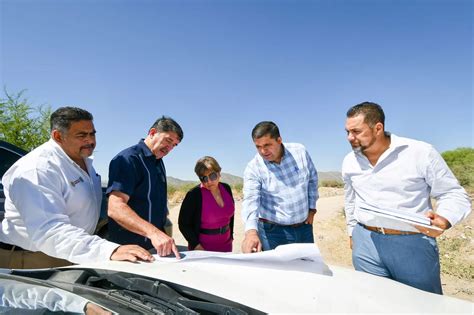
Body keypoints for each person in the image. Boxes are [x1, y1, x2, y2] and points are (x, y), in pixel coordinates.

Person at [342, 101, 471, 294]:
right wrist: (352, 232)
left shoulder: (420, 152)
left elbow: (452, 193)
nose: (350, 138)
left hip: (412, 243)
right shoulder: (349, 161)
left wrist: (444, 219)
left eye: (356, 131)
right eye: (347, 132)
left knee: (422, 306)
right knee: (373, 302)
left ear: (378, 128)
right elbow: (351, 200)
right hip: (365, 242)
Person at [0, 107, 153, 269]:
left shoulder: (83, 161)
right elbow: (48, 230)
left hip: (69, 252)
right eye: (81, 135)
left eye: (92, 134)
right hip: (32, 259)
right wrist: (108, 250)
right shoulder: (38, 169)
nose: (90, 140)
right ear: (58, 136)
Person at [107, 116, 183, 258]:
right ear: (153, 132)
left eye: (174, 145)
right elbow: (115, 208)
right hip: (130, 251)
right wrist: (153, 233)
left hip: (156, 248)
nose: (170, 148)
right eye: (168, 140)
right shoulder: (128, 159)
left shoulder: (158, 161)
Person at [241, 121, 319, 253]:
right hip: (273, 233)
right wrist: (251, 233)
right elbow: (250, 200)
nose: (263, 151)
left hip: (304, 227)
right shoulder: (253, 167)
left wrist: (312, 209)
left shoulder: (299, 151)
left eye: (267, 145)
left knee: (307, 269)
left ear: (279, 140)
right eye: (258, 146)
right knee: (278, 272)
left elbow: (312, 179)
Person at [178, 156, 235, 252]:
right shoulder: (194, 195)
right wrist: (196, 246)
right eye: (203, 178)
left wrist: (231, 236)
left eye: (212, 176)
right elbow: (183, 224)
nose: (208, 181)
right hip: (203, 249)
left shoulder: (226, 188)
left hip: (226, 245)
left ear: (219, 173)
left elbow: (230, 217)